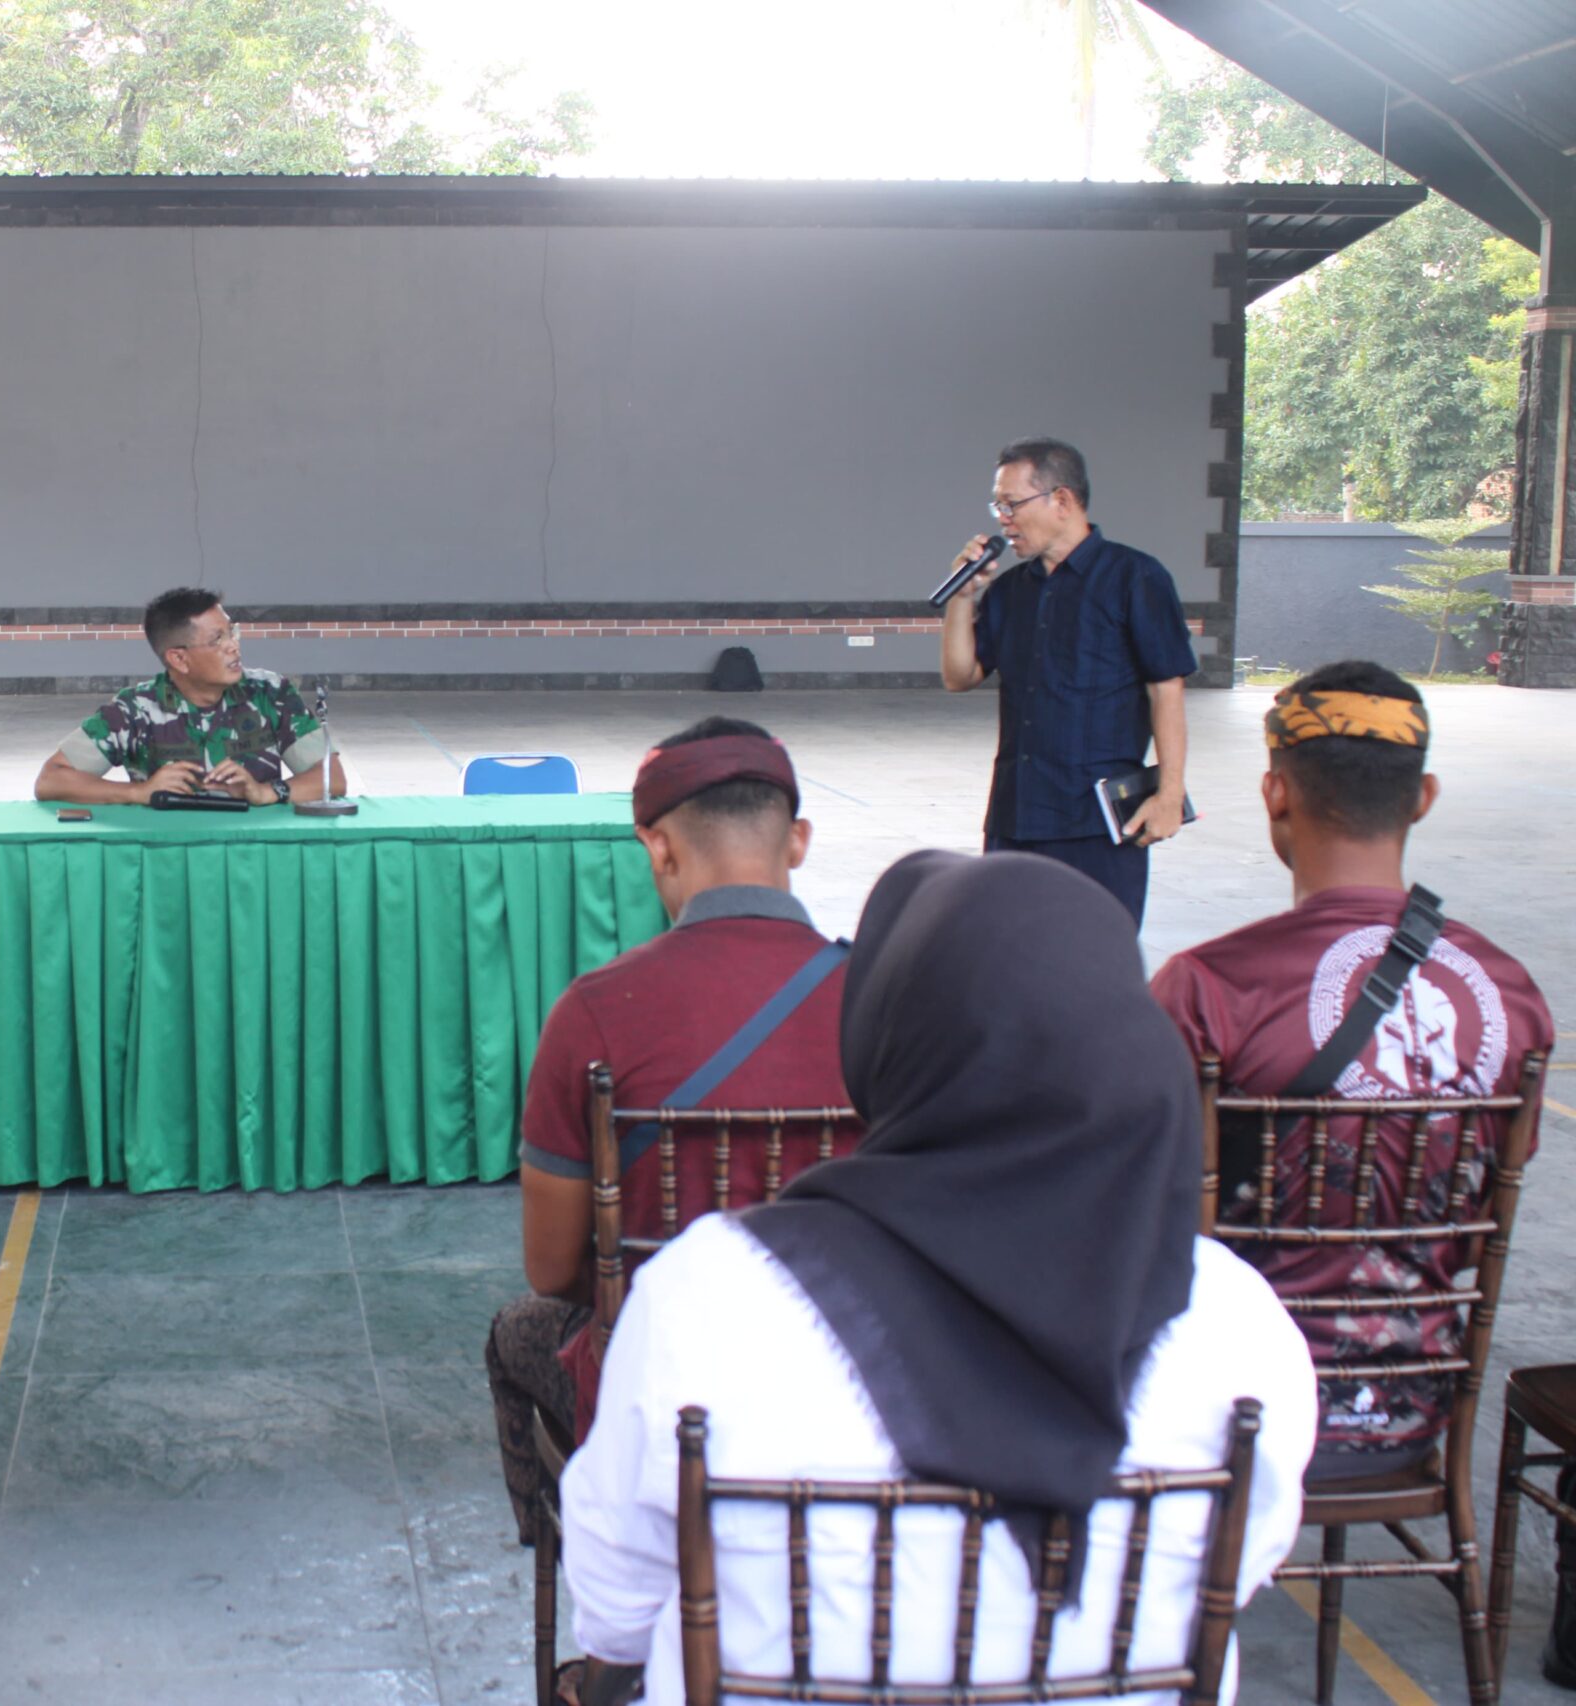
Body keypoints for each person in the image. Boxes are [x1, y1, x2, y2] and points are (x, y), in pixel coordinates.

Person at [560, 851, 1316, 1706]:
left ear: (888, 1041)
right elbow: (1244, 1567)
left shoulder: (708, 1295)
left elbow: (616, 1610)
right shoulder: (1234, 1323)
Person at [1148, 666, 1555, 1632]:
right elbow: (1500, 1173)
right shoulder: (1513, 993)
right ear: (1422, 798)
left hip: (1237, 1415)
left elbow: (1147, 1198)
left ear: (1274, 791)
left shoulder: (1208, 988)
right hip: (1417, 1410)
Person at [486, 717, 852, 1560]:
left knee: (517, 1331)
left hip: (663, 1383)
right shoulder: (885, 994)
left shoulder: (596, 1008)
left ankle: (605, 1615)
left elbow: (553, 1268)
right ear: (797, 840)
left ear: (657, 849)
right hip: (852, 1370)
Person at [938, 437, 1200, 927]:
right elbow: (959, 676)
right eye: (998, 505)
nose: (1003, 518)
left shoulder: (1134, 577)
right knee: (1006, 965)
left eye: (1011, 503)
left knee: (1094, 969)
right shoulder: (1011, 591)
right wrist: (963, 596)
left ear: (1062, 500)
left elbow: (1167, 688)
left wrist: (1168, 794)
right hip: (1014, 817)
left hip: (1094, 825)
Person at [35, 586, 347, 805]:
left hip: (251, 852)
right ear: (179, 659)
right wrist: (139, 793)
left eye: (231, 632)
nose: (233, 646)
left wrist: (267, 792)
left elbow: (331, 779)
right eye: (217, 639)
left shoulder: (270, 693)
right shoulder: (135, 709)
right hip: (166, 858)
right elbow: (51, 779)